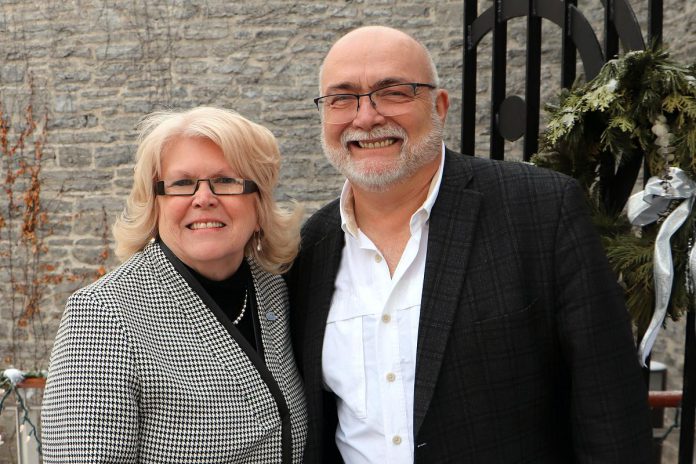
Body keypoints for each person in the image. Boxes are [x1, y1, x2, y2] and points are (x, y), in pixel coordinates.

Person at [288, 26, 653, 463]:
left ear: (439, 106)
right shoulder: (311, 247)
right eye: (342, 98)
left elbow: (610, 403)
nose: (365, 117)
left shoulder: (538, 209)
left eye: (394, 92)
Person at [42, 107, 307, 463]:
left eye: (226, 181)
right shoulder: (102, 317)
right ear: (156, 205)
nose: (203, 198)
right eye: (182, 183)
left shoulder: (274, 289)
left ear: (258, 203)